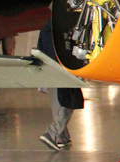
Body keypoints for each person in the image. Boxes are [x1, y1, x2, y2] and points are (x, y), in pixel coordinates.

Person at [36, 19, 84, 151]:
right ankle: (52, 133)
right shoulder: (64, 24)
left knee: (59, 101)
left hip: (49, 67)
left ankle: (62, 138)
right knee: (68, 100)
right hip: (61, 68)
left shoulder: (48, 25)